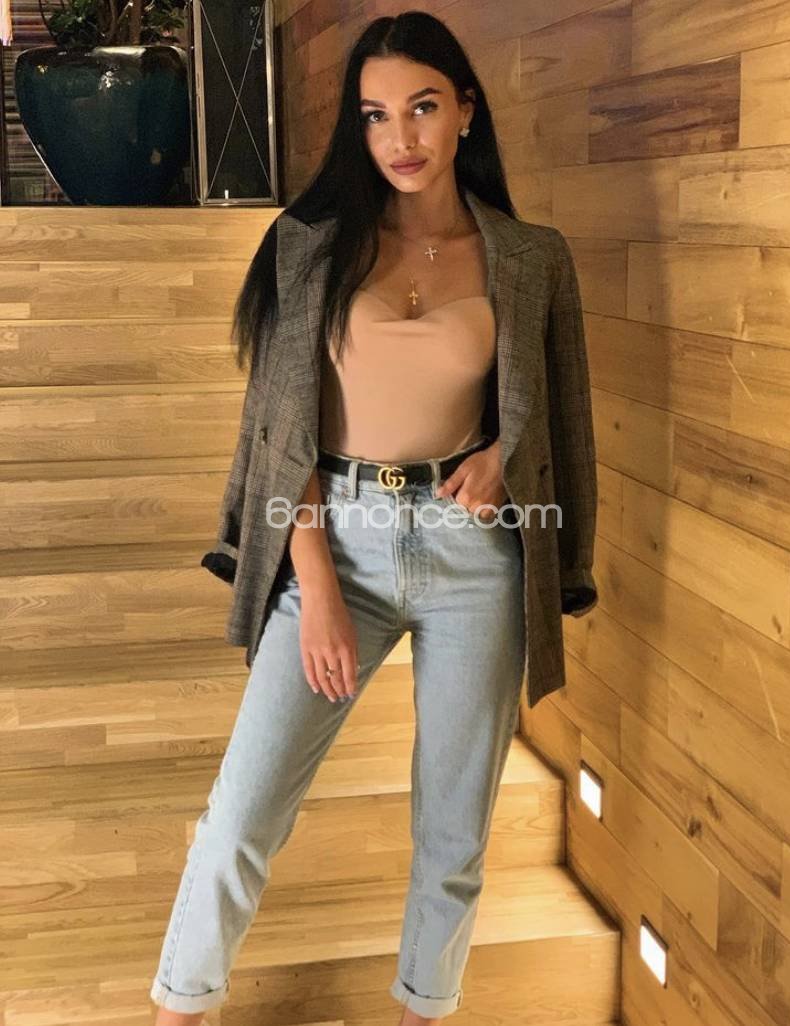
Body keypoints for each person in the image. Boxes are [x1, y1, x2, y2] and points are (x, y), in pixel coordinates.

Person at [150, 10, 597, 1026]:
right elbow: (280, 427)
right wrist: (312, 586)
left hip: (474, 558)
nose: (401, 136)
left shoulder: (531, 257)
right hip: (335, 538)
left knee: (454, 836)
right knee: (241, 816)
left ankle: (422, 1012)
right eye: (376, 114)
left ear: (465, 111)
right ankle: (180, 1008)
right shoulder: (308, 246)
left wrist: (502, 460)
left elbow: (558, 418)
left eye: (423, 107)